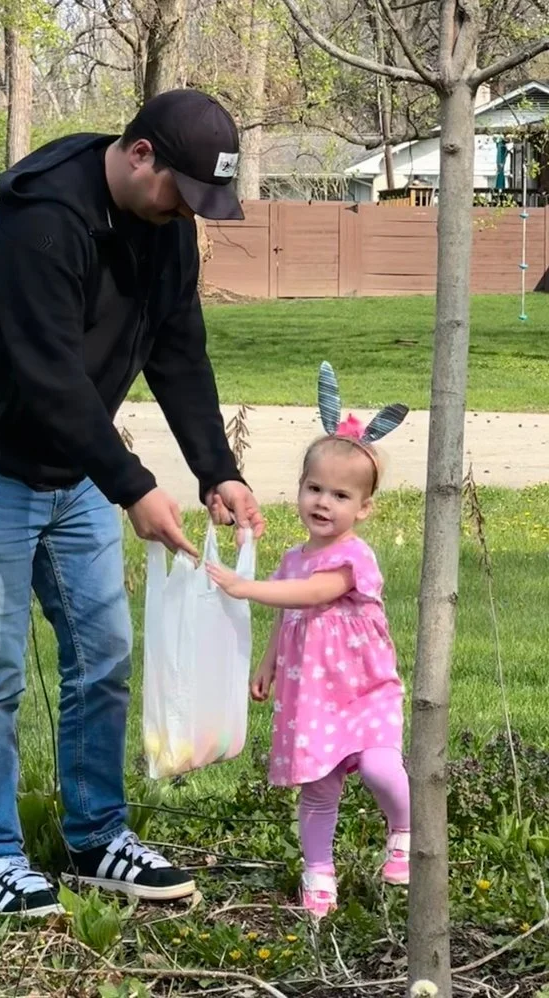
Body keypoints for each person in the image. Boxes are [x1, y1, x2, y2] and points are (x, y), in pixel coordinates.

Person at [0, 88, 264, 917]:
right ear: (141, 154)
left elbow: (179, 350)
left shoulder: (166, 228)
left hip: (69, 465)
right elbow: (49, 376)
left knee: (103, 651)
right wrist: (133, 487)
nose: (187, 212)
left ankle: (96, 837)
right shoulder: (42, 220)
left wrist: (217, 468)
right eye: (182, 191)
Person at [206, 362, 410, 919]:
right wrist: (269, 662)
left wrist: (245, 587)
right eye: (314, 488)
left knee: (379, 767)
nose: (323, 502)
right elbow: (289, 614)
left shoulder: (353, 556)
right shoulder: (294, 558)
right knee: (318, 787)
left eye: (340, 495)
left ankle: (404, 829)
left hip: (364, 689)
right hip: (314, 697)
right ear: (299, 490)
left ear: (363, 508)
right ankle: (318, 872)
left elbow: (314, 594)